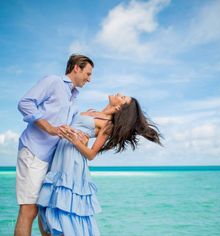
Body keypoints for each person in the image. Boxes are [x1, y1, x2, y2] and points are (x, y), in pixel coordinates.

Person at [37, 93, 162, 236]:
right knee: (47, 207)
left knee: (64, 210)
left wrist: (76, 141)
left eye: (122, 98)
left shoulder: (108, 125)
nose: (119, 94)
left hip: (72, 161)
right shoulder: (97, 113)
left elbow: (91, 154)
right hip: (60, 156)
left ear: (120, 107)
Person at [14, 54, 94, 236]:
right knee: (29, 210)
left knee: (46, 210)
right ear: (76, 68)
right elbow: (25, 103)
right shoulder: (54, 82)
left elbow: (70, 129)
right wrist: (49, 127)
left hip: (53, 160)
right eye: (88, 74)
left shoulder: (73, 101)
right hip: (34, 151)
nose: (89, 79)